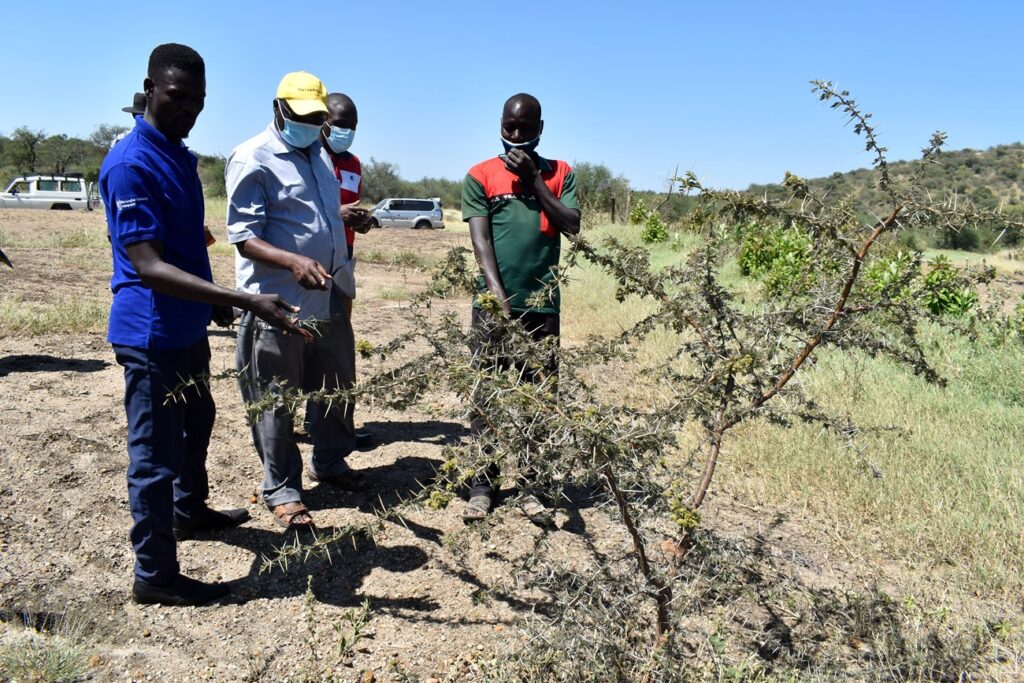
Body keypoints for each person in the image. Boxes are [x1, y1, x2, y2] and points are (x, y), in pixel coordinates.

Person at [102, 43, 309, 607]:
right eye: (176, 97)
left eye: (197, 100)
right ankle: (155, 575)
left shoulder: (178, 154)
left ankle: (190, 511)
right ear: (148, 89)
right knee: (153, 457)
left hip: (187, 325)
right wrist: (241, 298)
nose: (187, 109)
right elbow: (147, 265)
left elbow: (187, 244)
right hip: (150, 335)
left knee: (200, 419)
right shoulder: (129, 164)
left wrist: (215, 301)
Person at [227, 71, 361, 532]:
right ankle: (282, 488)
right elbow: (243, 236)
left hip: (328, 296)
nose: (311, 124)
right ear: (278, 109)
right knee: (274, 398)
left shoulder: (319, 155)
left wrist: (343, 224)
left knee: (334, 385)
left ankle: (330, 461)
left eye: (317, 118)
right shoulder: (253, 158)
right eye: (302, 117)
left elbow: (317, 214)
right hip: (277, 303)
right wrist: (291, 261)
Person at [460, 93, 581, 524]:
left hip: (543, 306)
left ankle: (533, 485)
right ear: (500, 125)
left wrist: (534, 181)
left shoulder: (560, 173)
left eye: (525, 129)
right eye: (509, 128)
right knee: (488, 397)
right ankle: (482, 486)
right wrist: (498, 298)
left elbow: (571, 225)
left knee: (538, 397)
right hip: (494, 307)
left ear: (540, 129)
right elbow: (481, 242)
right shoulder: (480, 175)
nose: (515, 136)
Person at [319, 92, 374, 449]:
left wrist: (362, 221)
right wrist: (337, 216)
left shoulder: (353, 163)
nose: (346, 132)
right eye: (341, 125)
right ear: (324, 121)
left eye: (352, 127)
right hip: (311, 261)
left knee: (339, 348)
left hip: (344, 260)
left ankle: (339, 428)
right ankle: (302, 422)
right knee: (305, 343)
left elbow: (350, 209)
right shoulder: (310, 159)